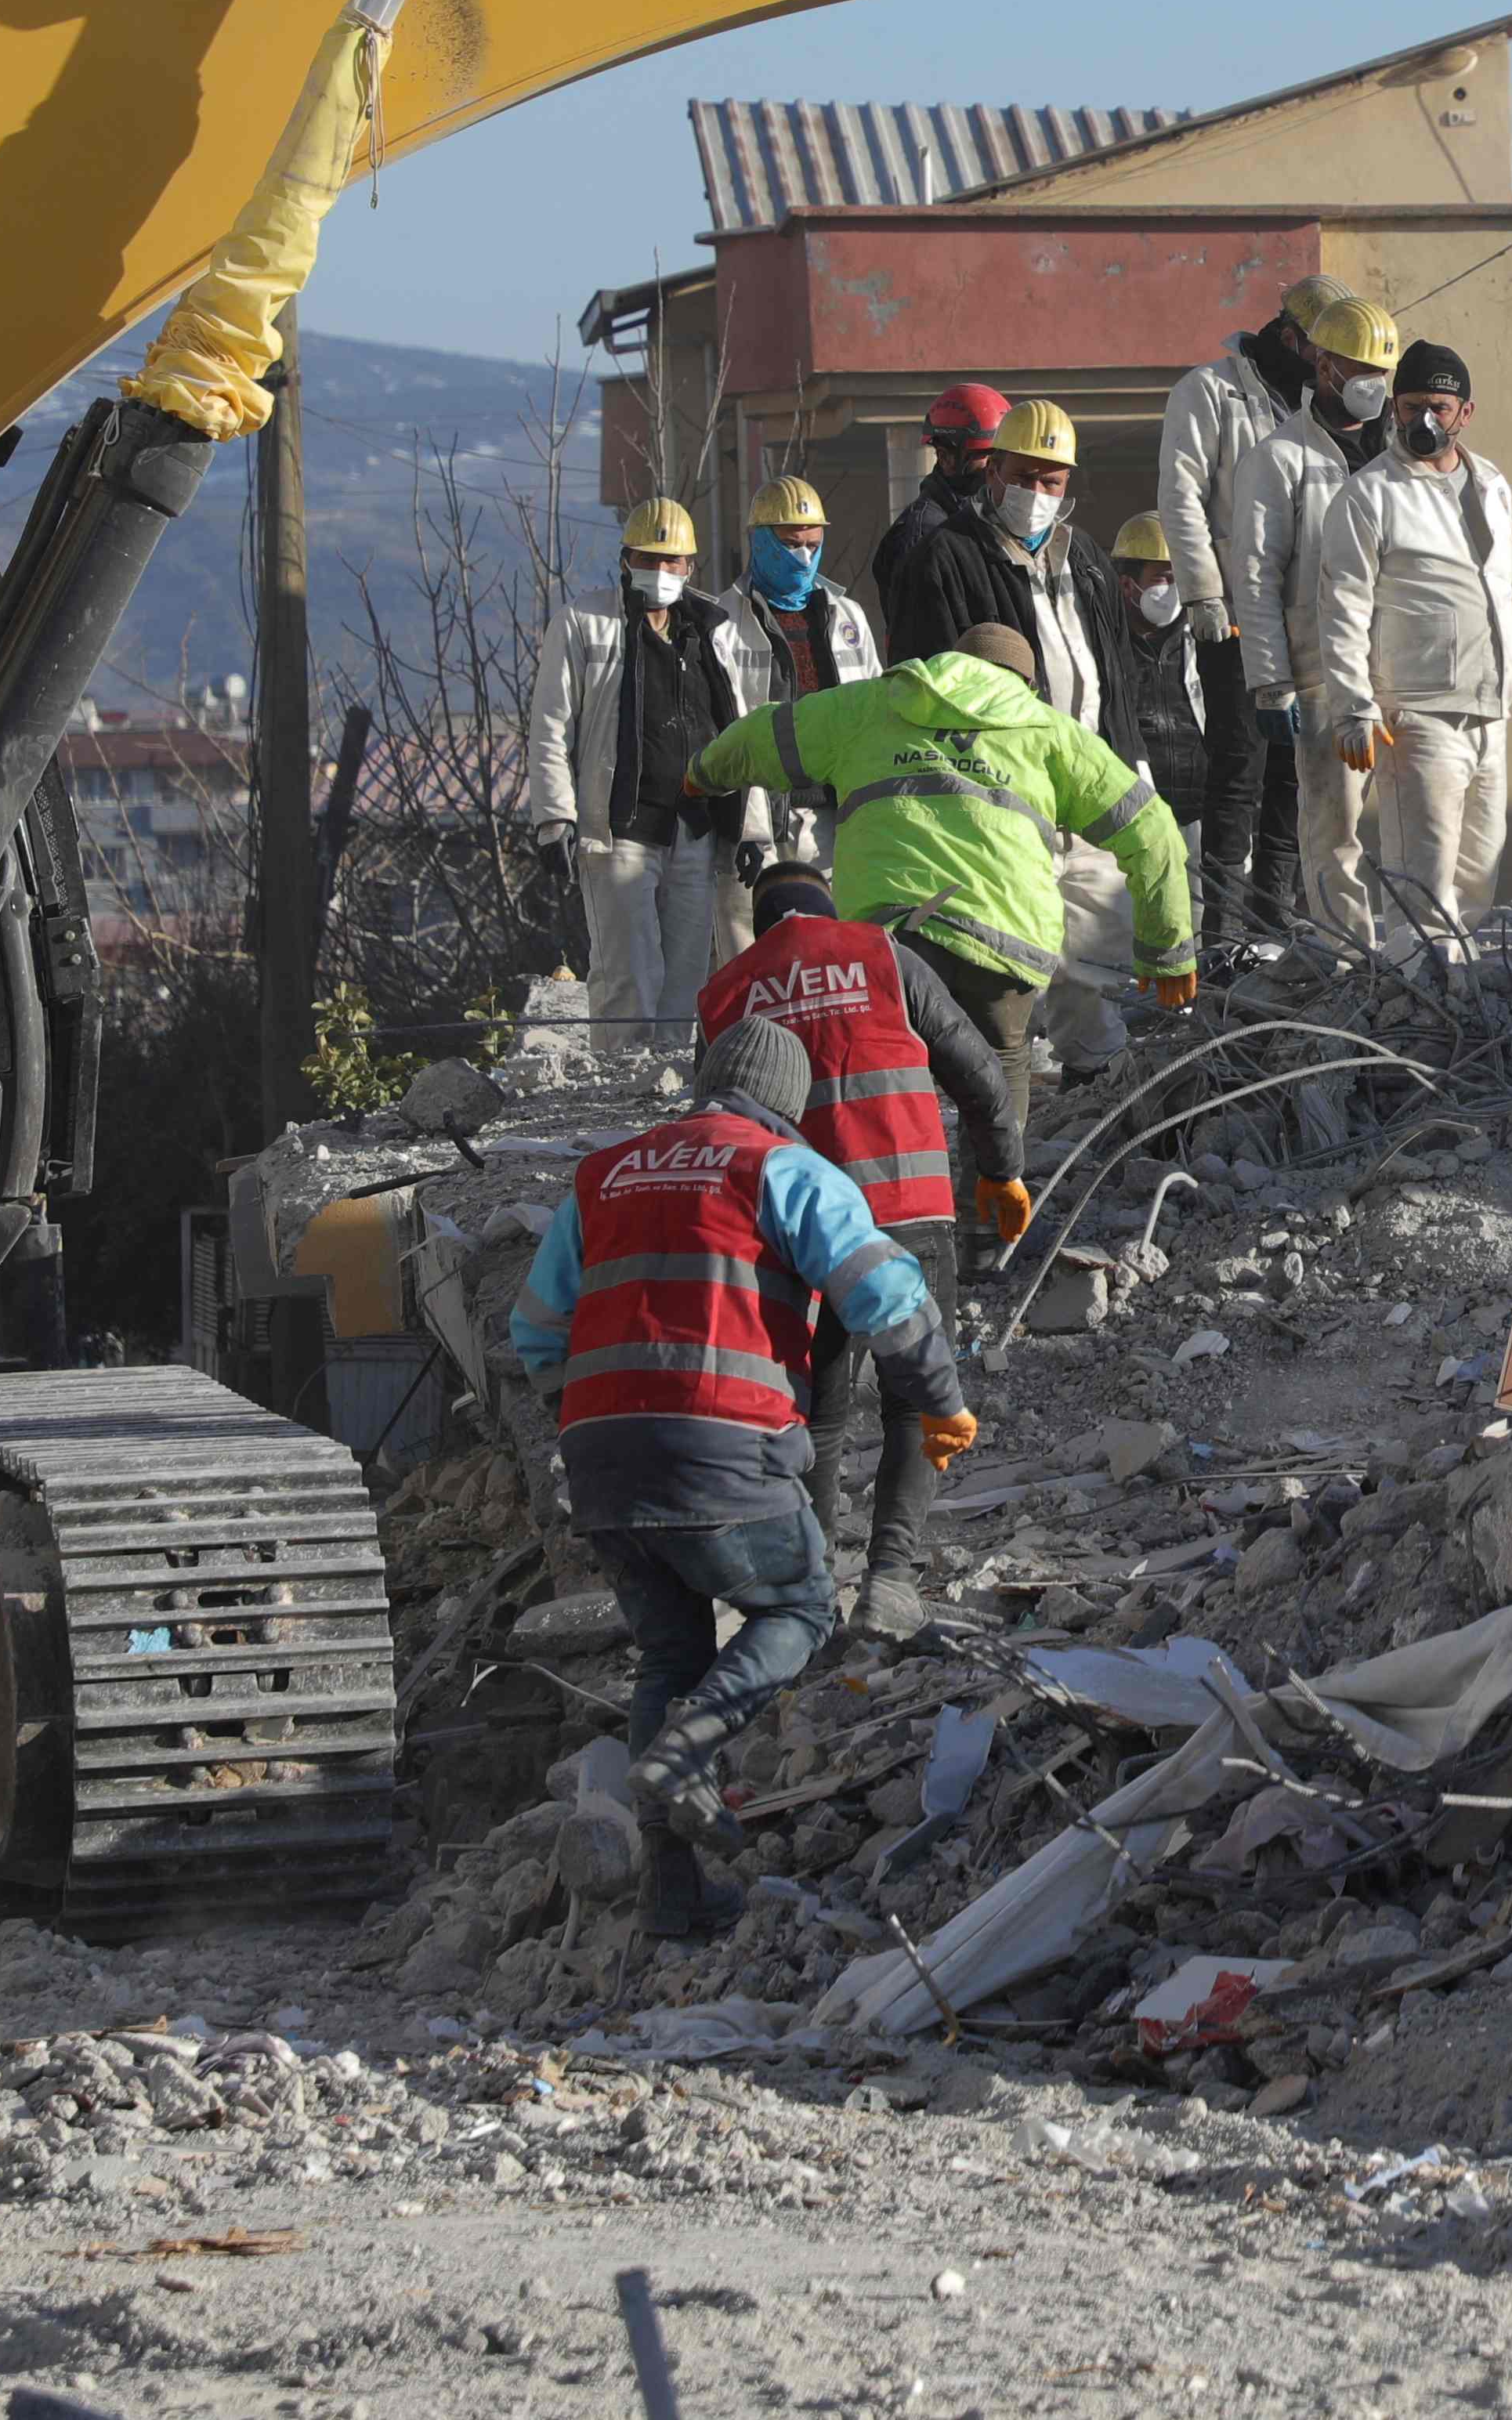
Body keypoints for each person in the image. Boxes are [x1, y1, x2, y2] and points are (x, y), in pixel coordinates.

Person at [504, 1008, 972, 1936]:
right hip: (722, 1446)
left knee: (669, 1657)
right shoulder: (782, 1168)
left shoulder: (600, 1176)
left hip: (599, 1459)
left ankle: (670, 1896)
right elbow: (886, 1296)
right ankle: (688, 1752)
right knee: (798, 1608)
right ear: (787, 1106)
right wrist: (941, 1399)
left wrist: (609, 1415)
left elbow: (531, 1332)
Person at [689, 623, 1198, 1163]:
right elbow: (1153, 830)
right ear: (1026, 682)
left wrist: (701, 773)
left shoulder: (869, 706)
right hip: (1002, 943)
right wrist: (1168, 952)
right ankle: (996, 1208)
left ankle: (883, 1195)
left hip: (887, 943)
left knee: (877, 1075)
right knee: (1000, 1073)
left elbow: (760, 735)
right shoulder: (1049, 730)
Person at [701, 857, 1025, 1643]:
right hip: (907, 1210)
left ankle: (809, 1594)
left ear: (760, 916)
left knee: (815, 1412)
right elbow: (980, 1073)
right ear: (826, 905)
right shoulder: (884, 954)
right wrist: (1000, 1171)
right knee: (913, 1397)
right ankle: (889, 1578)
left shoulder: (724, 990)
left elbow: (713, 1122)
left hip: (791, 1230)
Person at [1156, 274, 1362, 964]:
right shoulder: (1209, 392)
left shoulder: (1318, 408)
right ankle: (1223, 932)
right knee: (1238, 767)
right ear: (1288, 337)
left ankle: (1274, 925)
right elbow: (1182, 494)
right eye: (1320, 348)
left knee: (1293, 772)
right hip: (1236, 613)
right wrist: (1202, 594)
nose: (1328, 364)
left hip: (1302, 615)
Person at [1300, 337, 1512, 966]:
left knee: (1476, 873)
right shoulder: (1369, 494)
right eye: (1409, 405)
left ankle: (1455, 991)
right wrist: (1353, 706)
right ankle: (1417, 1014)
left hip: (1489, 707)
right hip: (1417, 712)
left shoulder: (1493, 486)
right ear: (1392, 409)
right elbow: (1341, 605)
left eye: (1438, 405)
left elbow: (1495, 593)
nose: (1423, 419)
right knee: (1422, 881)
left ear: (1465, 412)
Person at [526, 497, 749, 1049]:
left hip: (693, 826)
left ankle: (671, 1088)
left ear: (691, 566)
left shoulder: (709, 633)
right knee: (627, 972)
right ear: (625, 559)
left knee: (686, 976)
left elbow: (742, 730)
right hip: (619, 826)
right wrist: (554, 817)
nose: (664, 571)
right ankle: (620, 1089)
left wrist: (751, 828)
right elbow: (551, 726)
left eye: (675, 561)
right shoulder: (585, 624)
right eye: (651, 558)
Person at [1232, 293, 1398, 947]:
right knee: (1333, 828)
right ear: (1321, 365)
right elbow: (1255, 575)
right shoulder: (1278, 460)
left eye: (1378, 373)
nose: (1368, 384)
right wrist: (1271, 681)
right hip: (1322, 674)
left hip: (1402, 672)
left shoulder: (1402, 461)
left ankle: (1423, 950)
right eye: (1354, 367)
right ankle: (1344, 953)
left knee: (1422, 825)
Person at [877, 396, 1130, 751]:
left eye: (1051, 483)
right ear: (993, 469)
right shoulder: (939, 559)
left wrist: (1133, 759)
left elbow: (1119, 672)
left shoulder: (1086, 558)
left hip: (1095, 766)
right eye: (1023, 478)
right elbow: (925, 689)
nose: (1035, 494)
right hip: (1005, 775)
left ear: (1067, 482)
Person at [712, 473, 882, 894]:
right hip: (761, 823)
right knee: (757, 952)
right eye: (790, 545)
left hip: (836, 820)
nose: (804, 558)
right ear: (761, 542)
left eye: (812, 544)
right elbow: (727, 734)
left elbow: (878, 716)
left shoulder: (848, 619)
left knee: (834, 950)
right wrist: (749, 830)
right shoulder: (722, 625)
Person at [1101, 511, 1219, 853]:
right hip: (1136, 818)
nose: (1174, 589)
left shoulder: (1203, 640)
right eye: (1163, 578)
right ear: (1127, 584)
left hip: (1203, 818)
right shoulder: (1107, 644)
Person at [869, 384, 1008, 660]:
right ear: (945, 457)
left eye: (1003, 458)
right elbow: (924, 652)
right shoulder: (920, 537)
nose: (997, 470)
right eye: (988, 457)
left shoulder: (988, 524)